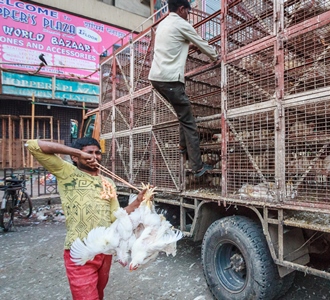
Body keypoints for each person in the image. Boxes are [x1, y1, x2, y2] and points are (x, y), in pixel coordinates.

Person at [26, 138, 147, 300]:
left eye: (97, 153)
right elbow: (33, 146)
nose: (94, 156)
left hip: (105, 250)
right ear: (75, 158)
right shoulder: (66, 172)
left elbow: (115, 216)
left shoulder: (108, 182)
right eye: (89, 152)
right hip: (79, 250)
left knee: (98, 294)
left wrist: (138, 201)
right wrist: (76, 151)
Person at [149, 0, 219, 177]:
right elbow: (202, 42)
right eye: (188, 11)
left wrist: (188, 46)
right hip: (170, 80)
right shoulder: (181, 23)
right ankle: (197, 167)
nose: (188, 15)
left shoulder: (164, 24)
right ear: (181, 9)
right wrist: (215, 57)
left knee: (183, 113)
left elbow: (172, 46)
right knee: (189, 123)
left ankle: (182, 146)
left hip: (157, 78)